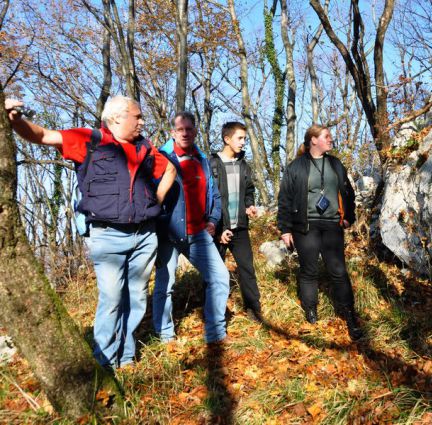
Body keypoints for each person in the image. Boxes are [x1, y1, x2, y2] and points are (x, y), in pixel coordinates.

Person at [4, 96, 177, 369]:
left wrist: (156, 197)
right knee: (111, 298)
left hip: (144, 235)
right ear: (117, 117)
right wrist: (15, 120)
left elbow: (169, 168)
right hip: (107, 235)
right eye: (137, 116)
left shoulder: (145, 147)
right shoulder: (90, 140)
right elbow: (43, 136)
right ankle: (105, 362)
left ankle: (127, 357)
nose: (142, 121)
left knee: (137, 296)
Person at [277, 124, 362, 340]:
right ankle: (311, 312)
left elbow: (348, 192)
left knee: (338, 271)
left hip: (333, 224)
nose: (331, 140)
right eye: (326, 136)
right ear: (313, 140)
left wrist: (348, 217)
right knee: (309, 270)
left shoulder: (335, 164)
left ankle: (349, 314)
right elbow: (285, 198)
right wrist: (285, 229)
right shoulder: (296, 167)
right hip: (306, 225)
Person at [153, 112, 230, 344]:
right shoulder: (161, 158)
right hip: (168, 233)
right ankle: (165, 335)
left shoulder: (202, 159)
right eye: (180, 129)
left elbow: (214, 195)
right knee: (164, 286)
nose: (185, 133)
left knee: (220, 277)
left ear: (195, 131)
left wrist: (213, 221)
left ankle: (215, 333)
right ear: (173, 133)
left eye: (189, 129)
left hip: (198, 232)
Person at [209, 122, 262, 321]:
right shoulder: (211, 164)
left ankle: (253, 310)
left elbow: (249, 190)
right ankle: (214, 314)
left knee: (247, 268)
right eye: (239, 138)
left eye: (244, 139)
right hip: (217, 228)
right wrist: (218, 228)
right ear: (227, 139)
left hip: (239, 227)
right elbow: (207, 199)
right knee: (213, 274)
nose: (243, 142)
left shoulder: (243, 165)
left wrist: (249, 205)